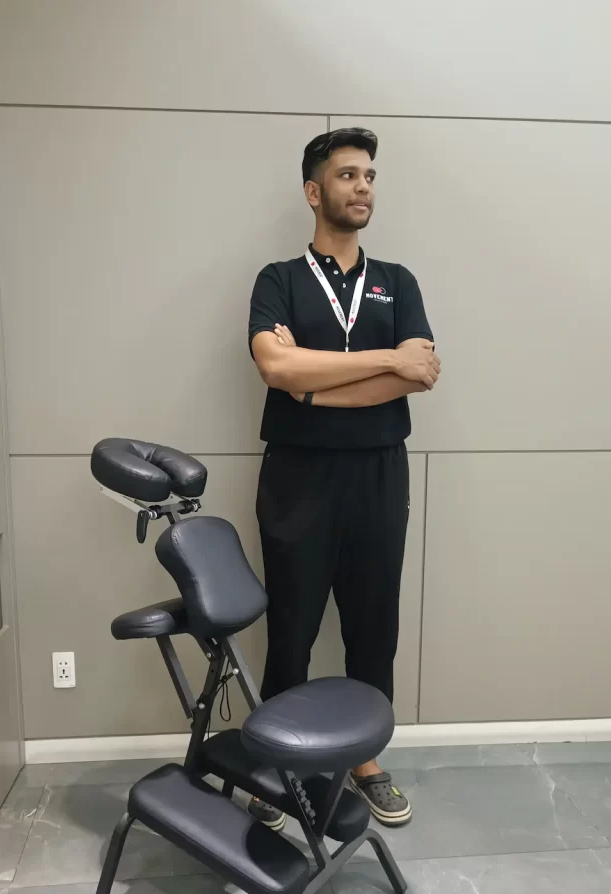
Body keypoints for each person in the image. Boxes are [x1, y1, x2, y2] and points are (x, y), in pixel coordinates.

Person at [246, 127, 440, 830]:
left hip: (380, 477)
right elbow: (275, 368)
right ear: (313, 191)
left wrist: (314, 385)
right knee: (291, 627)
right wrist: (380, 362)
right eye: (348, 175)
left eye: (370, 176)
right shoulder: (279, 280)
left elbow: (417, 375)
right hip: (298, 477)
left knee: (373, 625)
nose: (363, 187)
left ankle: (366, 762)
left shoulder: (399, 282)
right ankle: (275, 766)